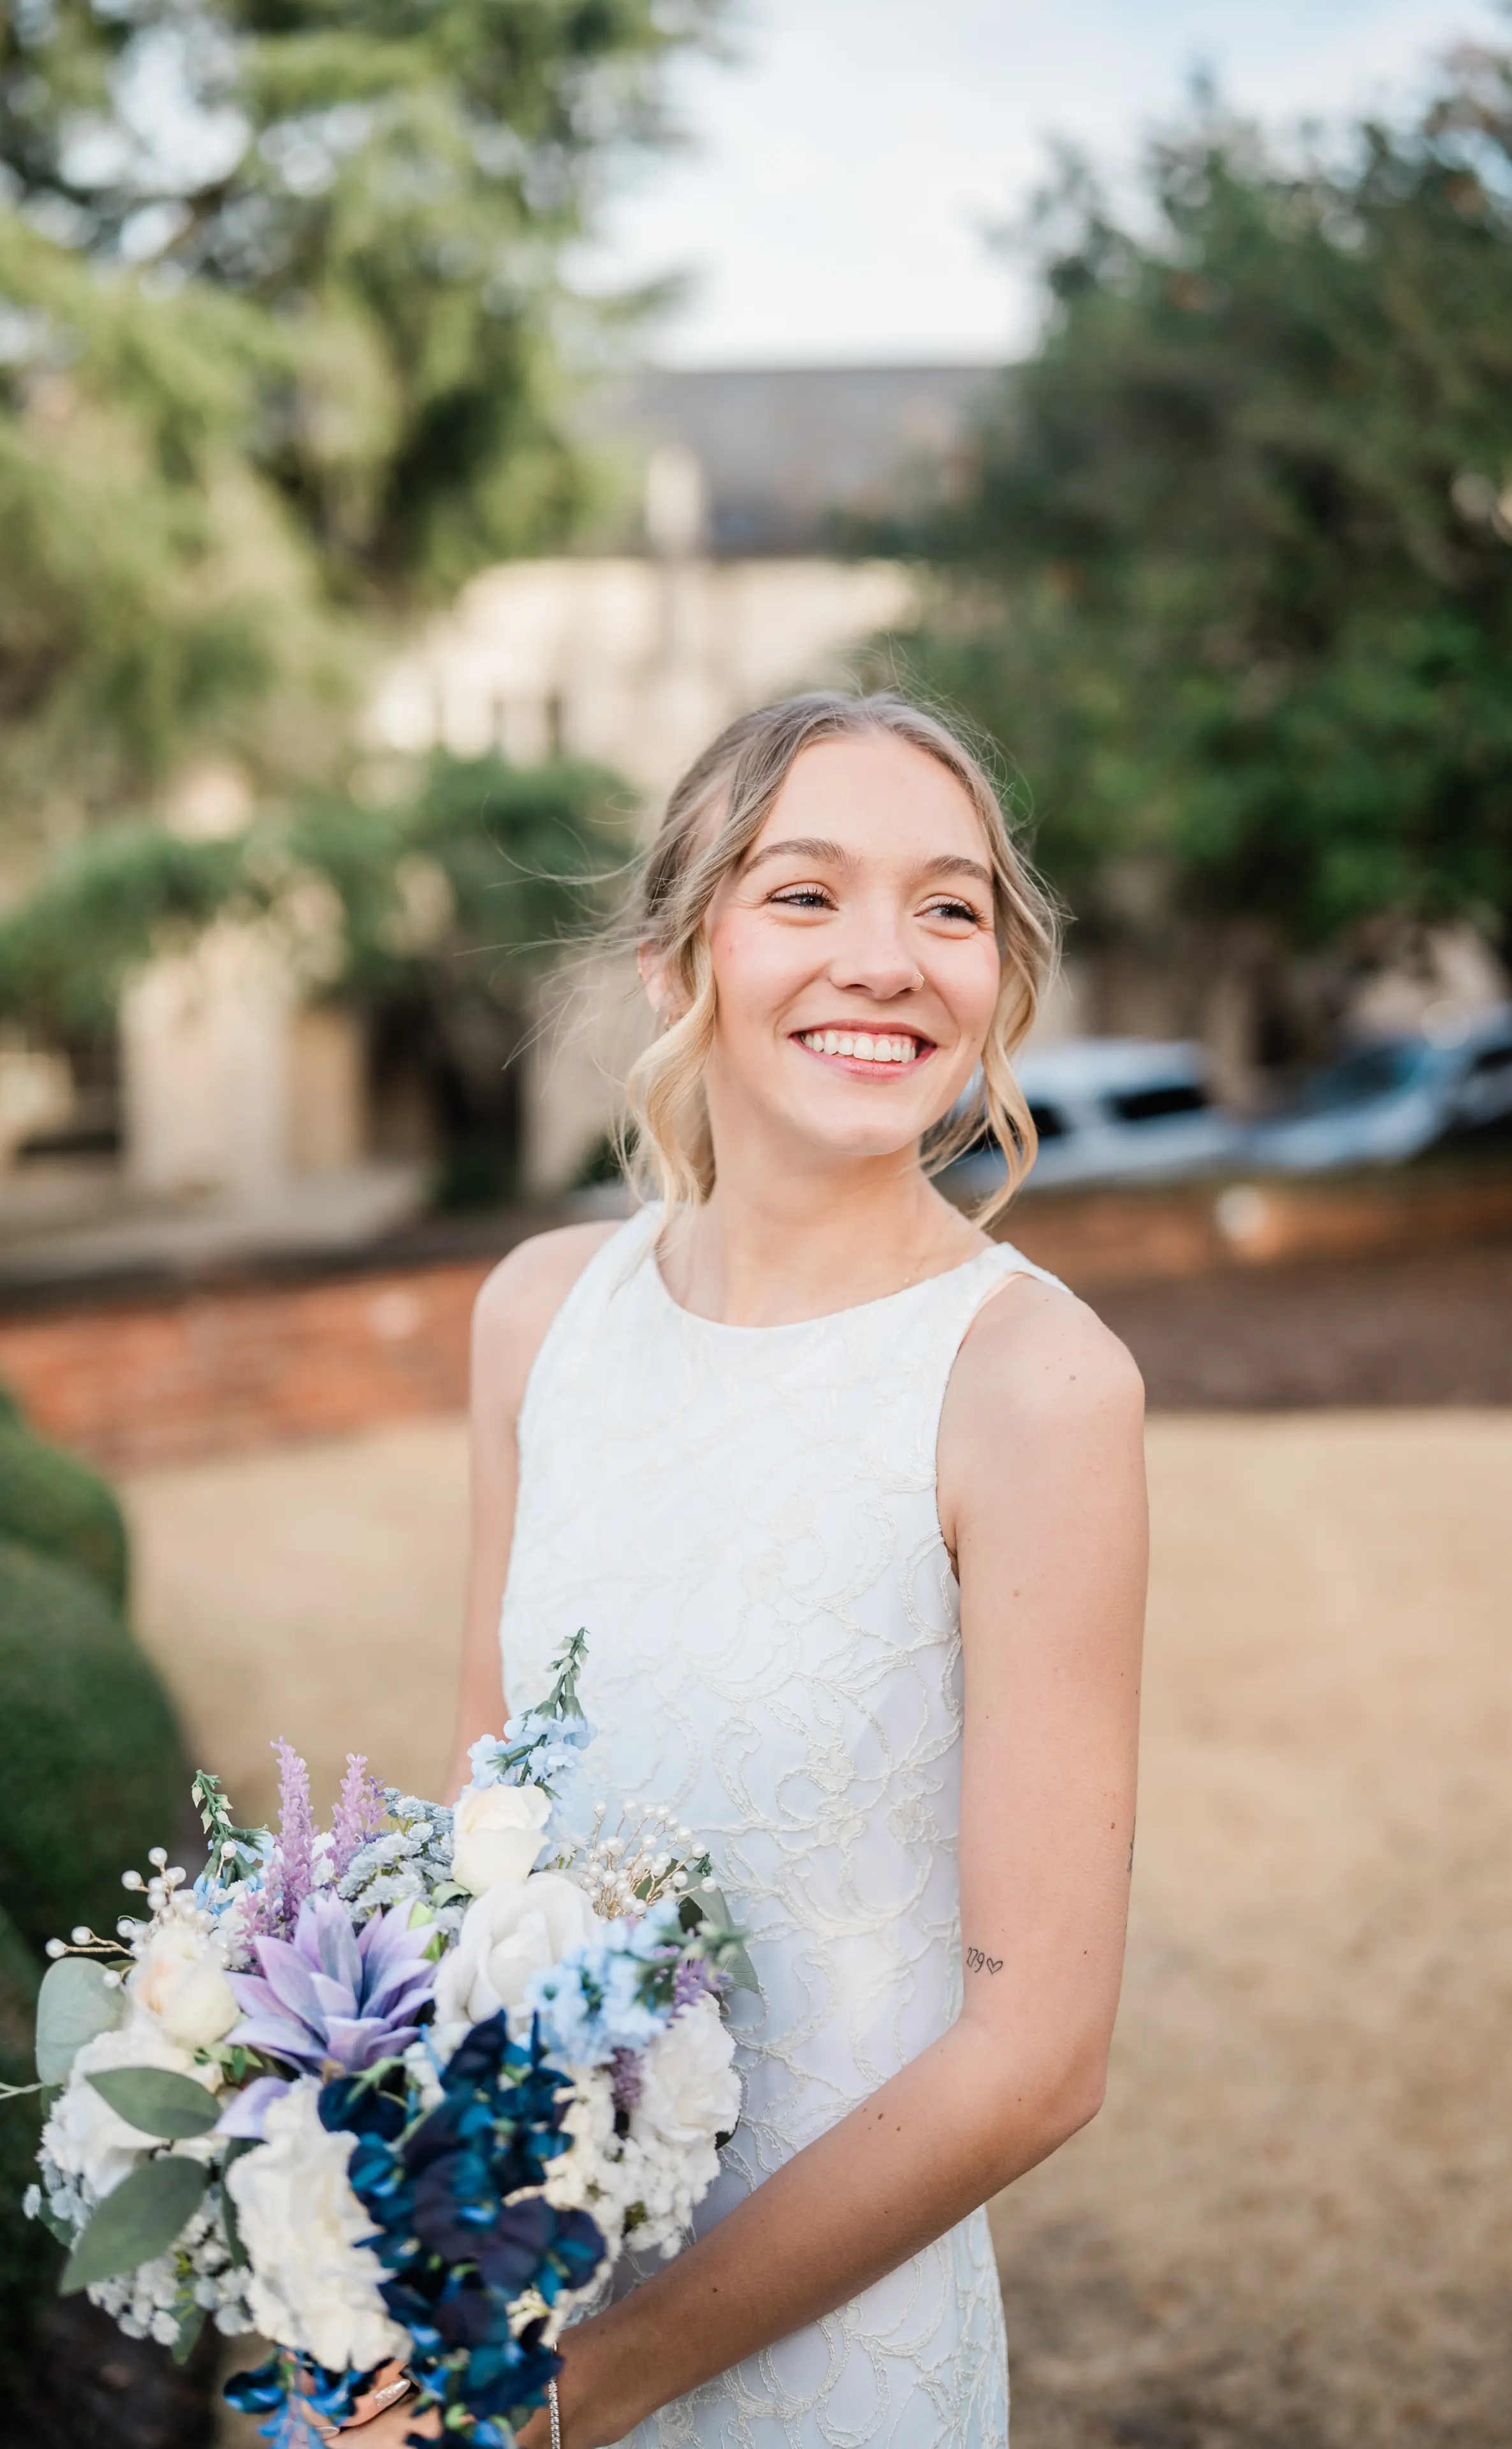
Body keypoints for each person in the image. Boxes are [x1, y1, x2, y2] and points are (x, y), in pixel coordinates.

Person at [366, 690, 1147, 2448]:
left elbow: (1039, 2058)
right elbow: (482, 1836)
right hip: (519, 2293)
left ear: (999, 978)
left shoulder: (1034, 1386)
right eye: (804, 893)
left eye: (948, 908)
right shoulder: (539, 1317)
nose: (887, 959)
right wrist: (396, 2253)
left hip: (828, 2368)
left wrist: (587, 2390)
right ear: (675, 961)